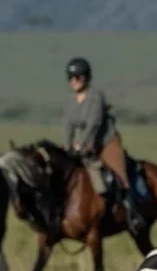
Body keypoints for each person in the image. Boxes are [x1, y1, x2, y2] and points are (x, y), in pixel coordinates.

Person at [63, 56, 147, 241]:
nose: (74, 81)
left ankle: (133, 214)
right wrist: (67, 146)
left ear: (86, 78)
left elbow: (94, 123)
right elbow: (68, 125)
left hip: (106, 143)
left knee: (119, 176)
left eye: (78, 76)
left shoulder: (95, 97)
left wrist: (83, 144)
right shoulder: (71, 102)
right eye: (71, 77)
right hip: (86, 146)